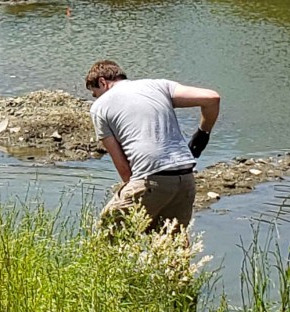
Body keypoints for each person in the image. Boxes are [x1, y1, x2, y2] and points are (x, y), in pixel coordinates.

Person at [86, 60, 220, 234]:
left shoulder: (99, 108)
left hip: (151, 178)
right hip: (186, 178)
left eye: (95, 93)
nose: (96, 98)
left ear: (103, 82)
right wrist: (203, 134)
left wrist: (135, 193)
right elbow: (211, 98)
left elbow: (124, 169)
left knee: (107, 233)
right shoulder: (159, 86)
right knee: (171, 247)